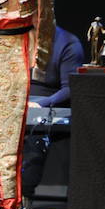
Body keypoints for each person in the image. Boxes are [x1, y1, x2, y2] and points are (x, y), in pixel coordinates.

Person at [20, 25, 85, 199]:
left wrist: (41, 104)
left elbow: (69, 88)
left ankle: (23, 197)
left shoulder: (68, 43)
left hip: (48, 104)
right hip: (16, 100)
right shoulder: (15, 37)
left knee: (35, 133)